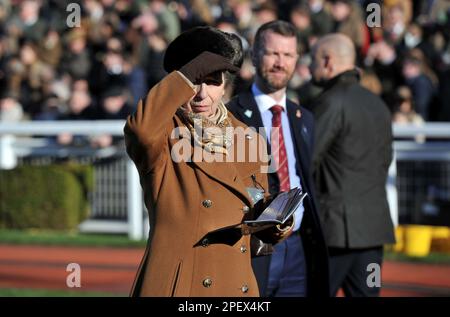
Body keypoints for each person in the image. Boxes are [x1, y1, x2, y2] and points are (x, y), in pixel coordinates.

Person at [124, 26, 293, 297]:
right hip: (181, 285)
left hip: (236, 285)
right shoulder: (163, 132)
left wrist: (275, 223)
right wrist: (191, 70)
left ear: (225, 85)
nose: (202, 94)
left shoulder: (249, 139)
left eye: (213, 81)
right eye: (194, 83)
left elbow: (255, 205)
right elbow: (140, 131)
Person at [227, 20, 329, 297]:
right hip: (251, 246)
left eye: (287, 55)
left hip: (298, 248)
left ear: (296, 59)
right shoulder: (232, 114)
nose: (279, 62)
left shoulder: (304, 118)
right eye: (273, 53)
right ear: (256, 55)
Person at [309, 33, 396, 297]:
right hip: (373, 231)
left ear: (327, 61)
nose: (310, 67)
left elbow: (309, 160)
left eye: (312, 60)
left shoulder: (330, 101)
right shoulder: (379, 104)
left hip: (335, 233)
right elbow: (386, 159)